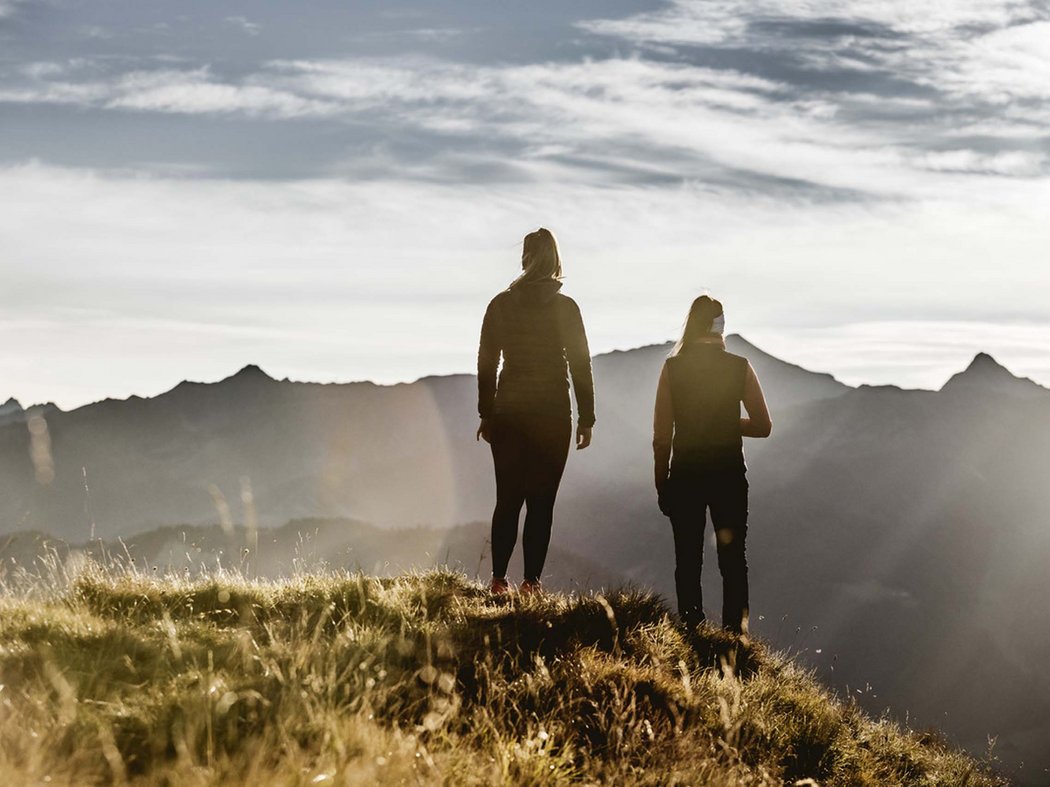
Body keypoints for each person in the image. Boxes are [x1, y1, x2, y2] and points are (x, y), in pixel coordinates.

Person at [477, 228, 595, 595]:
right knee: (542, 503)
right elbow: (580, 365)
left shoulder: (500, 304)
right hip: (553, 414)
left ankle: (498, 580)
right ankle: (531, 583)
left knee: (507, 498)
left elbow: (486, 362)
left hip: (509, 413)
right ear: (555, 259)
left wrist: (486, 412)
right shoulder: (566, 307)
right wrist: (587, 417)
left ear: (525, 258)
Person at [652, 295, 771, 633]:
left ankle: (692, 630)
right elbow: (763, 426)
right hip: (729, 474)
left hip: (686, 474)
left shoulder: (672, 368)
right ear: (721, 325)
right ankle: (735, 635)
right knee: (733, 560)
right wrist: (727, 422)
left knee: (687, 559)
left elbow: (661, 436)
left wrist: (662, 482)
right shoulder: (740, 366)